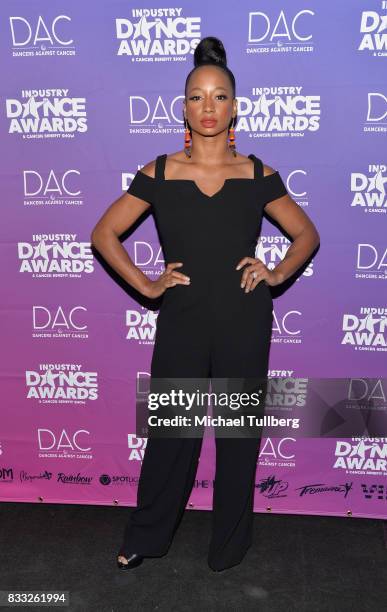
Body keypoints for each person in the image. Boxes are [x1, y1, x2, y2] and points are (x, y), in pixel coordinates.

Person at [90, 36, 320, 572]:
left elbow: (306, 234)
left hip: (245, 319)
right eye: (197, 97)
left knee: (239, 438)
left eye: (219, 97)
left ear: (235, 106)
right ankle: (146, 536)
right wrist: (147, 285)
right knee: (172, 433)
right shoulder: (161, 173)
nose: (208, 107)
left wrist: (278, 271)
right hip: (184, 323)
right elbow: (104, 233)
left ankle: (230, 545)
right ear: (184, 108)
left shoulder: (258, 175)